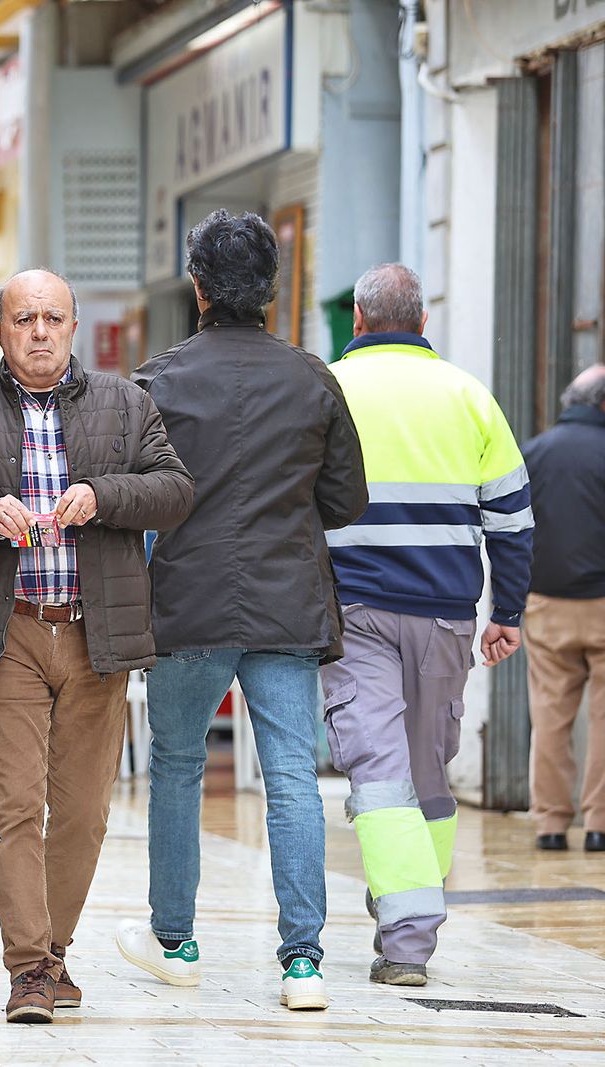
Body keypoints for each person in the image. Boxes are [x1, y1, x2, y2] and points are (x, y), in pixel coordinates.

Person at [0, 268, 192, 1023]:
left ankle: (53, 951)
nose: (38, 330)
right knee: (13, 804)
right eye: (23, 318)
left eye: (52, 318)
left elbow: (174, 490)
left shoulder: (127, 404)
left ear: (72, 327)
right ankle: (29, 967)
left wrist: (104, 497)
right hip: (7, 631)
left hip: (97, 628)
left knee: (86, 811)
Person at [118, 211, 368, 1013]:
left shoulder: (157, 381)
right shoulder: (313, 379)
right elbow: (346, 500)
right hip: (287, 602)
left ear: (197, 287)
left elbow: (134, 498)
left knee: (178, 765)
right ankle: (303, 963)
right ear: (270, 288)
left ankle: (175, 939)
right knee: (293, 776)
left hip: (186, 601)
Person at [323, 262, 532, 985]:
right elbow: (512, 517)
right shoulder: (469, 395)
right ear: (422, 322)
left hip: (353, 612)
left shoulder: (329, 388)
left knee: (378, 769)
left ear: (357, 319)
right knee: (424, 769)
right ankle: (408, 919)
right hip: (445, 615)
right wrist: (506, 612)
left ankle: (406, 928)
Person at [521, 364, 605, 853]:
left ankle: (550, 824)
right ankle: (599, 824)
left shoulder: (534, 453)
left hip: (548, 601)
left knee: (550, 714)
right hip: (602, 601)